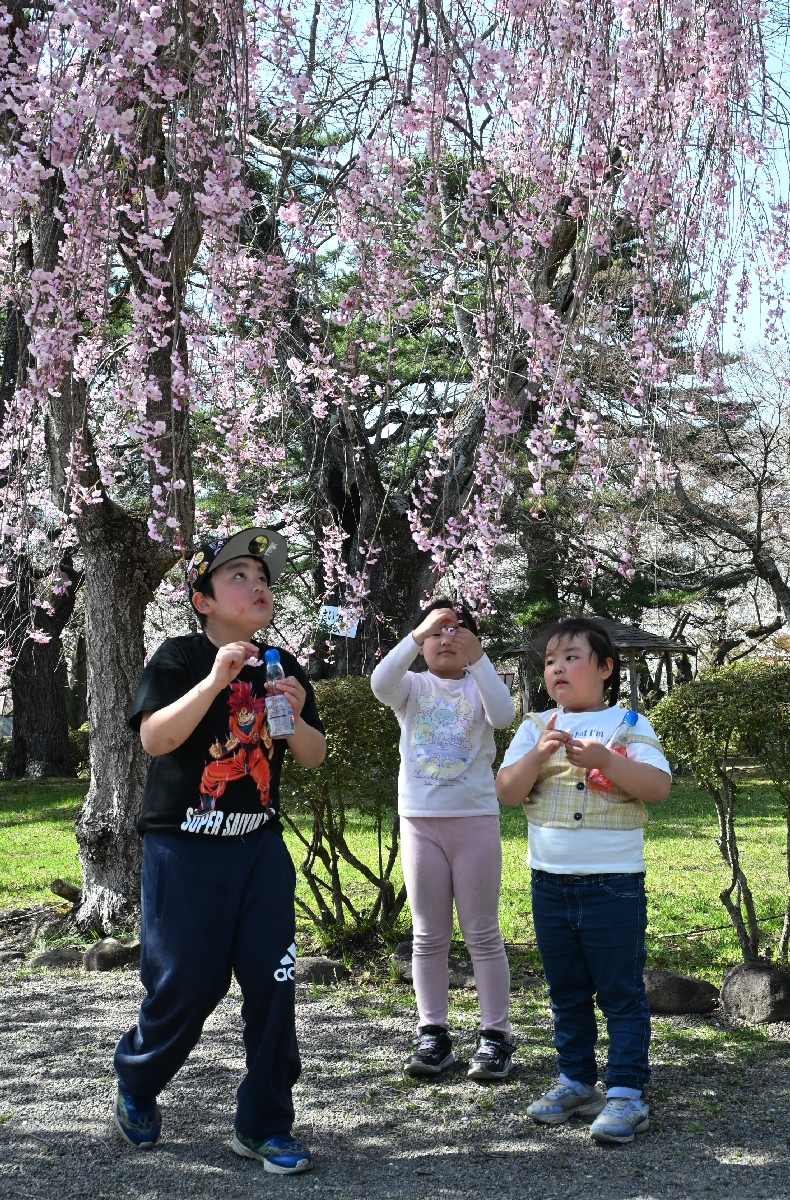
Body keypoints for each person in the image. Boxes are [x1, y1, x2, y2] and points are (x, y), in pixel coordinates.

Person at [112, 527, 326, 1174]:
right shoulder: (178, 656)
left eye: (263, 577)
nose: (258, 585)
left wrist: (298, 710)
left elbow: (312, 756)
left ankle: (263, 1125)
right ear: (203, 598)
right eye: (239, 575)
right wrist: (213, 681)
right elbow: (154, 739)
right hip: (184, 849)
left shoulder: (281, 663)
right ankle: (139, 1081)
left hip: (258, 848)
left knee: (274, 983)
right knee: (187, 985)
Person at [496, 616, 671, 1144]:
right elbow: (506, 790)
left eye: (570, 657)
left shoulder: (629, 723)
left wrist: (603, 761)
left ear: (605, 668)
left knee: (619, 992)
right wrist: (539, 752)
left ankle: (626, 1091)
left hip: (613, 884)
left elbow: (658, 786)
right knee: (565, 992)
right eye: (549, 661)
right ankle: (575, 1080)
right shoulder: (534, 726)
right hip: (549, 883)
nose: (556, 669)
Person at [371, 600, 517, 1080]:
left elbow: (502, 714)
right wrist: (415, 635)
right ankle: (432, 1032)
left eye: (457, 631)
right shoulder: (412, 686)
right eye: (437, 632)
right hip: (419, 824)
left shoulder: (480, 685)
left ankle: (495, 1036)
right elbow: (379, 683)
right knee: (427, 936)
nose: (446, 639)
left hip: (474, 821)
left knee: (482, 934)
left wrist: (479, 659)